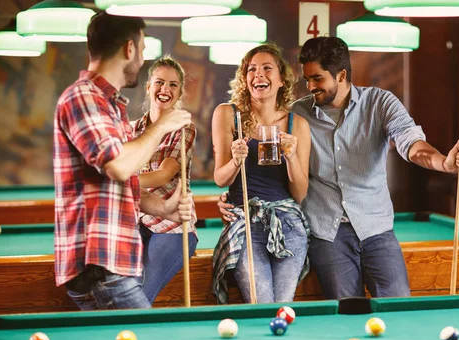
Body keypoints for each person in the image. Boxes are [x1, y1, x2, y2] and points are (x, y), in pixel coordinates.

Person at [219, 36, 459, 300]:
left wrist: (444, 162)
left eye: (317, 79)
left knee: (398, 303)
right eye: (307, 79)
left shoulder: (379, 103)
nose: (310, 86)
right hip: (327, 234)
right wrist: (233, 197)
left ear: (341, 75)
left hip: (376, 229)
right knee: (348, 309)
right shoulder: (297, 115)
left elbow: (412, 143)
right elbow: (275, 177)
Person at [53, 12, 193, 310]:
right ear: (129, 49)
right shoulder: (83, 97)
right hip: (101, 266)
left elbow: (120, 184)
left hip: (110, 264)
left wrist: (165, 209)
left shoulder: (111, 106)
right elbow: (117, 166)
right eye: (142, 50)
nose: (141, 60)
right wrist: (161, 127)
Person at [211, 44, 311, 304]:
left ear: (281, 80)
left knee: (283, 304)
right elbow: (221, 179)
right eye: (252, 69)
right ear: (245, 80)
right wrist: (235, 160)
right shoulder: (227, 114)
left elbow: (300, 194)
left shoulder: (297, 124)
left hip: (288, 223)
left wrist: (290, 157)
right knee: (262, 303)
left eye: (267, 68)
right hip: (246, 221)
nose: (258, 75)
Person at [133, 56, 198, 305]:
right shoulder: (131, 130)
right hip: (136, 222)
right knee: (118, 287)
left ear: (180, 91)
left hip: (174, 226)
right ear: (148, 86)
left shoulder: (184, 128)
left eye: (173, 85)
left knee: (140, 294)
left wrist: (120, 180)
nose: (165, 90)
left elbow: (164, 174)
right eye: (159, 83)